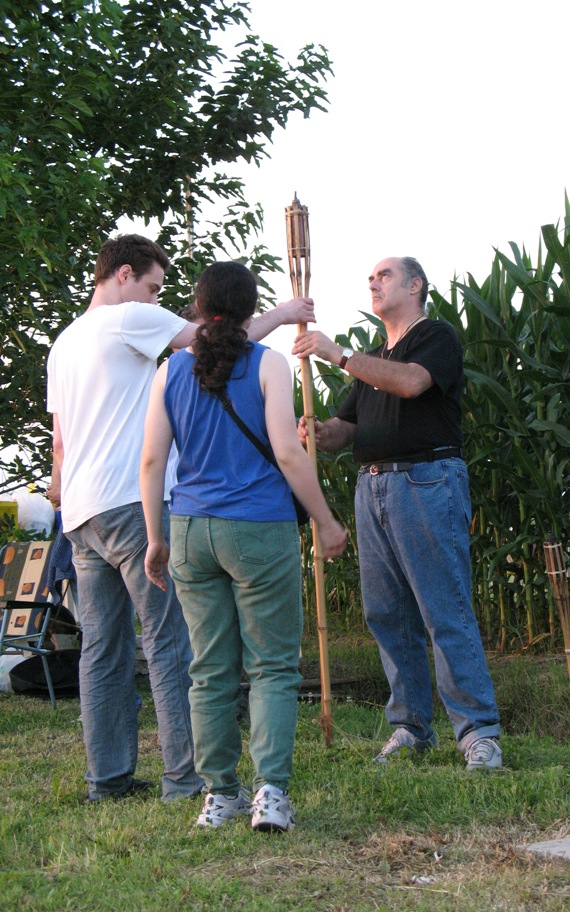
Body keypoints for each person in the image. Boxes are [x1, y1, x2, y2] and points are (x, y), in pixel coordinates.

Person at [47, 233, 316, 802]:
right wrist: (284, 312)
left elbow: (60, 443)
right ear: (123, 275)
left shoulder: (64, 342)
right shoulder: (128, 318)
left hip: (81, 510)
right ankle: (186, 778)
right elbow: (218, 343)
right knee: (170, 643)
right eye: (152, 287)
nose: (156, 299)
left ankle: (107, 779)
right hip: (130, 501)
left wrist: (64, 495)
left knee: (102, 649)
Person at [140, 261, 347, 832]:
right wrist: (326, 521)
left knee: (208, 669)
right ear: (253, 308)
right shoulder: (268, 363)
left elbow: (153, 460)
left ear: (199, 307)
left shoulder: (169, 371)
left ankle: (219, 796)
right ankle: (271, 793)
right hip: (258, 527)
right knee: (272, 666)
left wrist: (155, 538)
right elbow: (287, 452)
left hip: (189, 530)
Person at [292, 256, 502, 769]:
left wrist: (338, 355)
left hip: (425, 480)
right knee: (387, 614)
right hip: (373, 486)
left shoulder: (435, 336)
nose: (373, 281)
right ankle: (410, 728)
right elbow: (348, 427)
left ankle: (478, 732)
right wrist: (321, 432)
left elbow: (410, 383)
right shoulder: (372, 359)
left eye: (384, 275)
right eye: (371, 277)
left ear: (415, 285)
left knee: (443, 608)